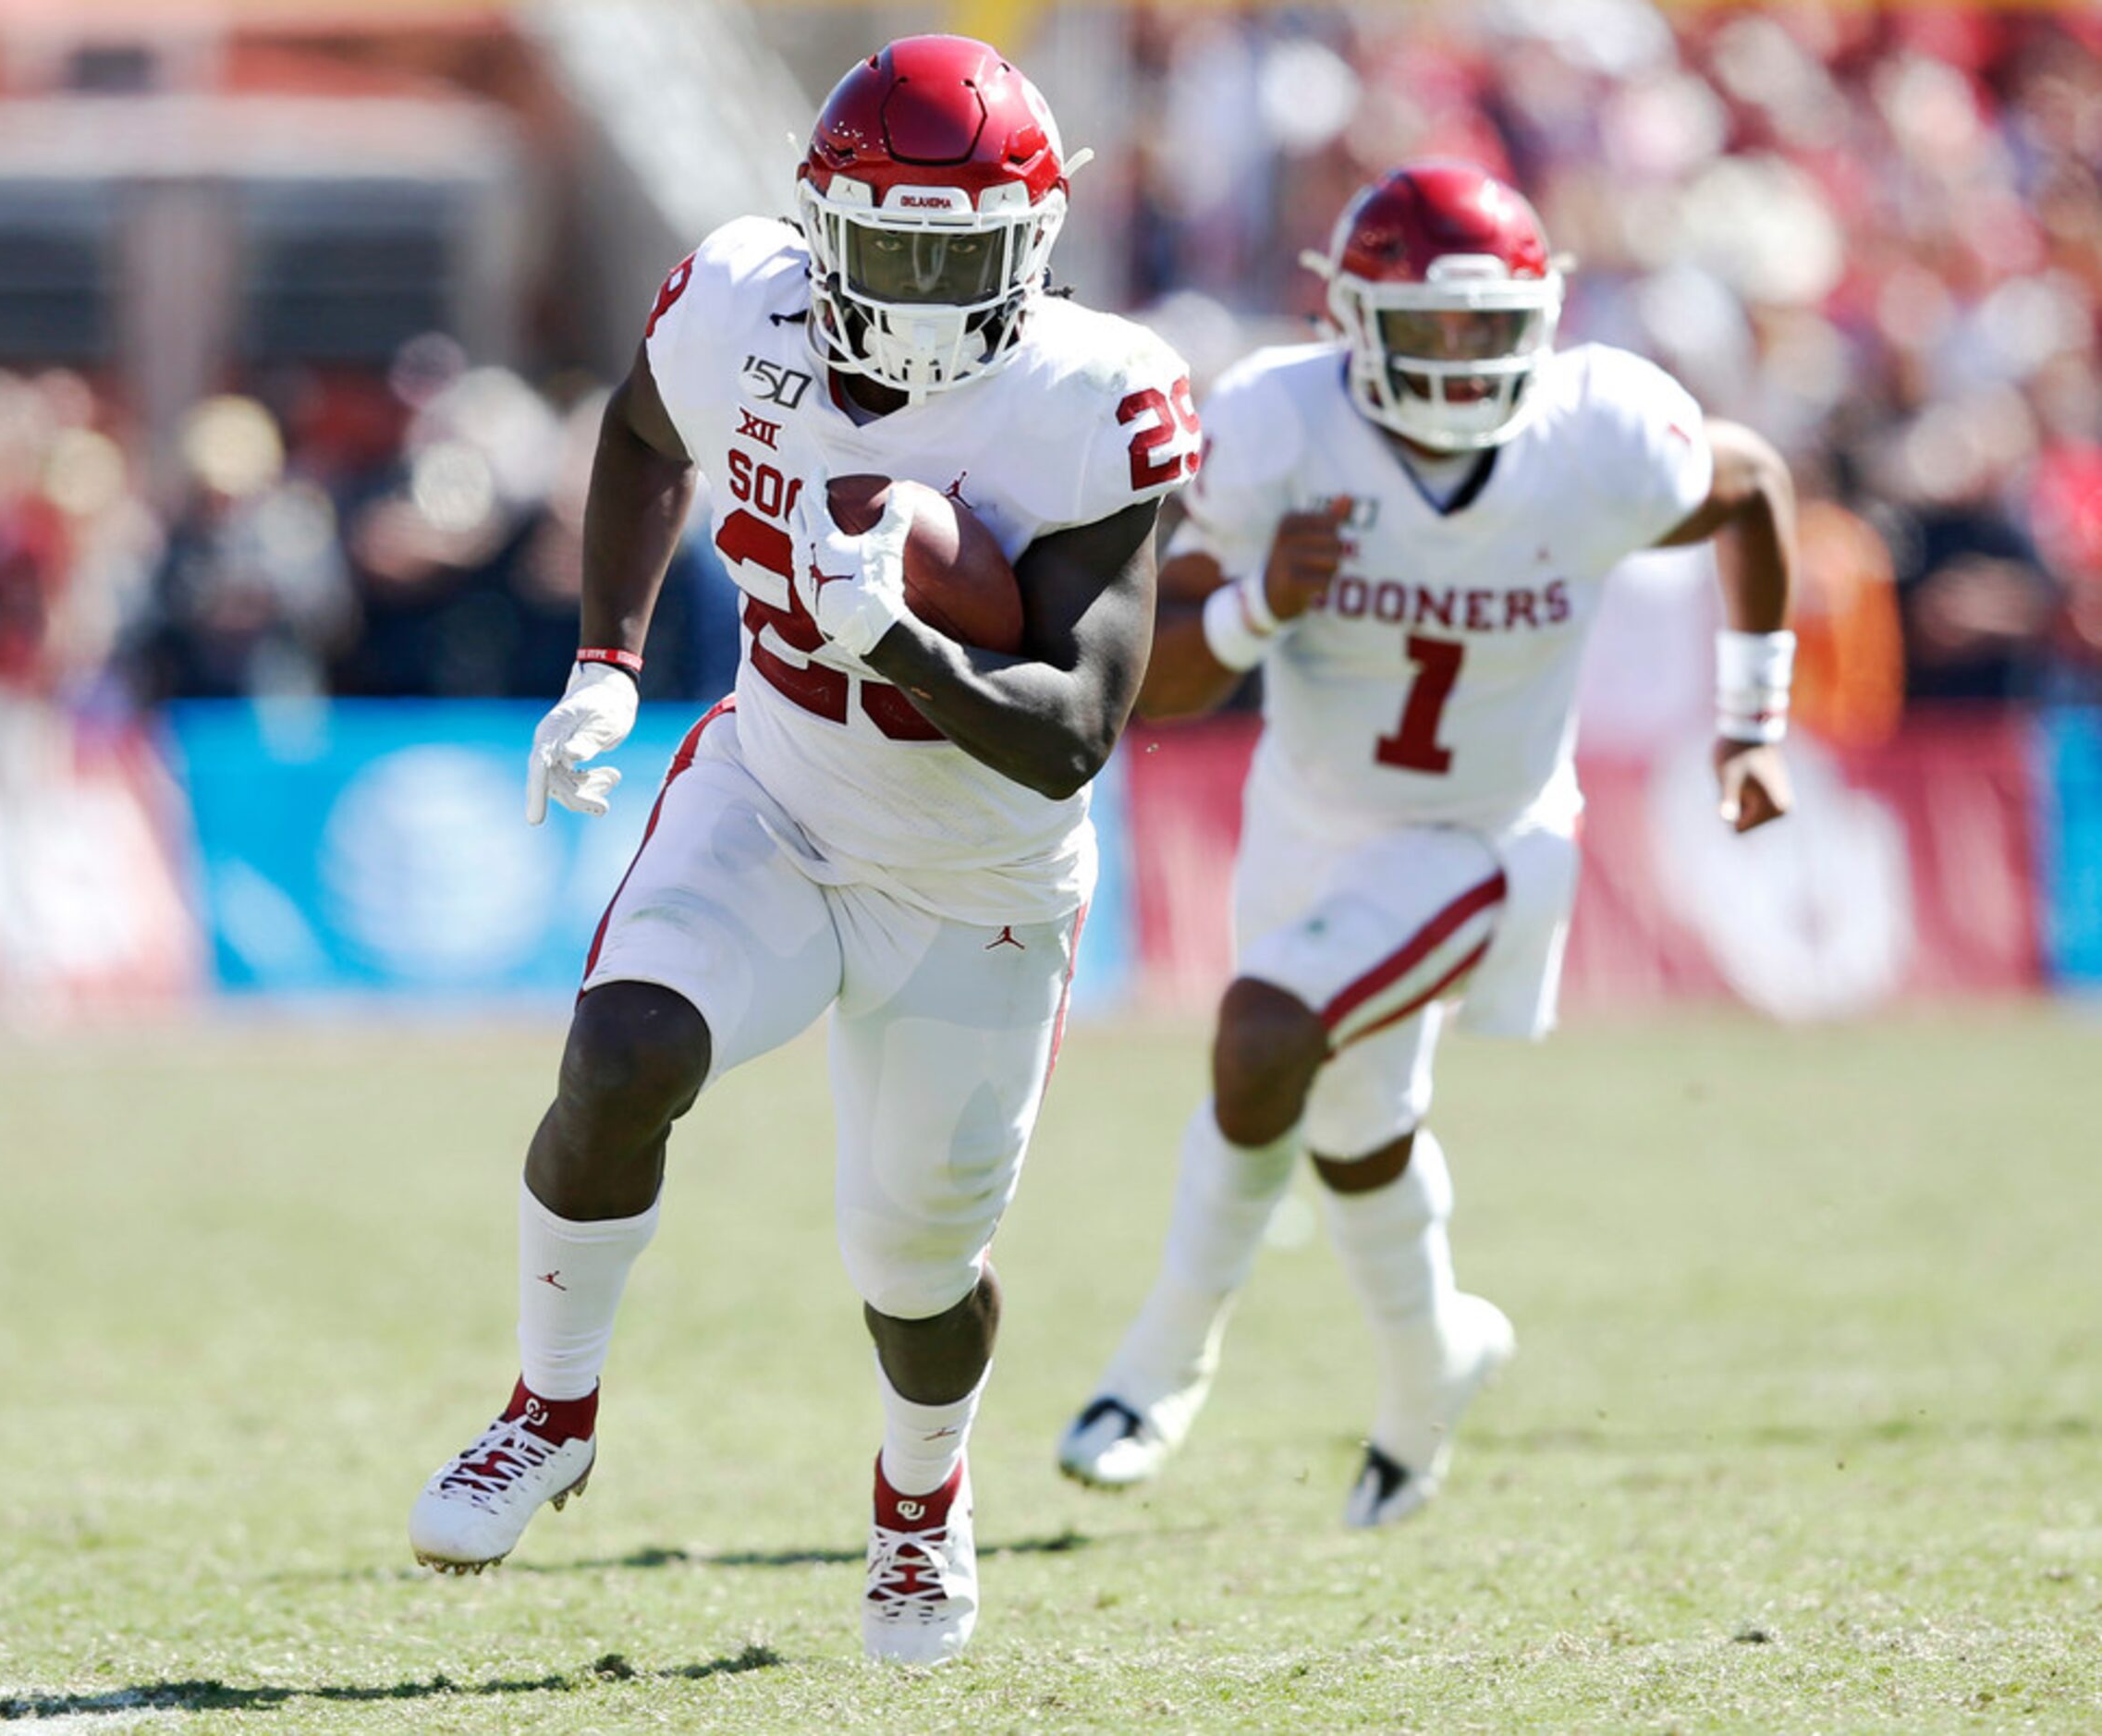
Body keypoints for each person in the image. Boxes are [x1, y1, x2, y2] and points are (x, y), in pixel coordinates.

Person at [407, 35, 1197, 1667]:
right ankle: (549, 1408)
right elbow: (640, 437)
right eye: (886, 247)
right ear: (819, 223)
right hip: (773, 785)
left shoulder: (1098, 396)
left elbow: (1070, 728)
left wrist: (902, 641)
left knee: (916, 1265)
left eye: (951, 257)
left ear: (1032, 249)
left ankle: (921, 1495)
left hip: (979, 880)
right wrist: (607, 664)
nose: (910, 292)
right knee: (621, 1050)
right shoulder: (736, 300)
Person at [1056, 161, 1797, 1529]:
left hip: (1487, 837)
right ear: (1352, 318)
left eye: (1488, 327)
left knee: (1265, 1031)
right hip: (1309, 821)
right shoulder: (1277, 422)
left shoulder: (1599, 428)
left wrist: (1753, 722)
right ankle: (1433, 1367)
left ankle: (1160, 1361)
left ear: (1541, 318)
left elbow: (1752, 488)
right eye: (1432, 328)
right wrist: (1259, 606)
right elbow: (1153, 686)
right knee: (1350, 1124)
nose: (1463, 360)